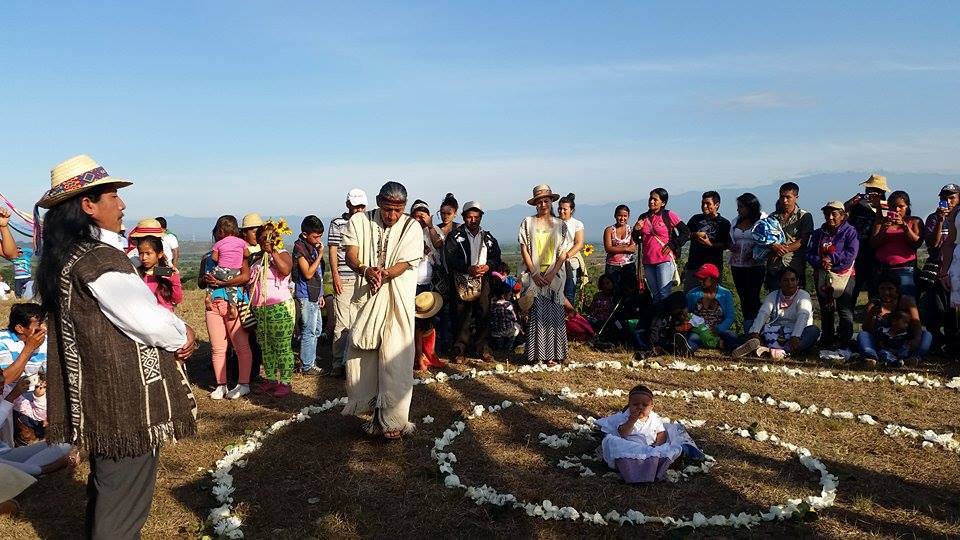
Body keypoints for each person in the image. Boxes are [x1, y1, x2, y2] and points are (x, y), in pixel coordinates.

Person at [34, 154, 197, 539]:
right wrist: (183, 334)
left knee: (109, 491)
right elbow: (144, 319)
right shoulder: (98, 259)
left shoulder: (68, 257)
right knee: (122, 503)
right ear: (88, 206)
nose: (122, 205)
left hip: (101, 399)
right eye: (112, 196)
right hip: (124, 404)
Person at [340, 181, 423, 439]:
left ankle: (393, 420)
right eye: (388, 209)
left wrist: (384, 273)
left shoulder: (412, 226)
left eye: (398, 210)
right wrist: (366, 270)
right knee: (365, 355)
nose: (392, 216)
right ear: (378, 201)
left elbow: (406, 263)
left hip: (397, 301)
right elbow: (351, 254)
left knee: (396, 358)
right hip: (367, 299)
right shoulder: (359, 221)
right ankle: (371, 412)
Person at [592, 385, 698, 484]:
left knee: (672, 445)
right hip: (630, 448)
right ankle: (631, 469)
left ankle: (655, 465)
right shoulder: (625, 417)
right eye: (635, 404)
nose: (640, 407)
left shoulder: (654, 418)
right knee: (611, 441)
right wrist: (631, 421)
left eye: (644, 405)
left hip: (650, 448)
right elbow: (622, 433)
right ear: (629, 405)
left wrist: (657, 444)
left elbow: (661, 433)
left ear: (651, 406)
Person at [199, 217, 254, 400]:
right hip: (215, 303)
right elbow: (202, 281)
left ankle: (243, 383)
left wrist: (222, 282)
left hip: (233, 302)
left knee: (240, 346)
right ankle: (221, 384)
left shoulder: (223, 254)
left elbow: (245, 276)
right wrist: (208, 280)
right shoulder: (210, 257)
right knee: (217, 347)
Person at [445, 200, 502, 364]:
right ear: (464, 217)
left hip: (483, 280)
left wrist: (488, 267)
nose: (473, 220)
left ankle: (483, 349)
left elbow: (496, 258)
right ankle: (459, 350)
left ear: (481, 217)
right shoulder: (455, 236)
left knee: (483, 313)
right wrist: (467, 268)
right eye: (470, 217)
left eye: (476, 217)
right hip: (461, 280)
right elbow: (450, 258)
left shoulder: (488, 237)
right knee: (461, 315)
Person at [519, 185, 570, 366]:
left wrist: (552, 273)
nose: (543, 204)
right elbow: (524, 248)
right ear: (535, 204)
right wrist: (534, 273)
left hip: (554, 275)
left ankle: (554, 355)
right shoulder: (528, 222)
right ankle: (537, 354)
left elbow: (563, 252)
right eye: (539, 201)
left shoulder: (560, 225)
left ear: (551, 202)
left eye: (546, 201)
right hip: (534, 273)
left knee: (554, 313)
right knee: (537, 313)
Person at [249, 220, 296, 398]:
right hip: (260, 309)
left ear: (277, 239)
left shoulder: (282, 254)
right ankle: (270, 379)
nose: (266, 241)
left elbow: (285, 270)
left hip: (279, 307)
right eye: (263, 238)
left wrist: (273, 252)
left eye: (270, 238)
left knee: (282, 346)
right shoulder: (257, 258)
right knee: (266, 346)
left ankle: (285, 381)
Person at [736, 267, 821, 359]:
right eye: (785, 280)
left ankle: (783, 352)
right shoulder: (773, 295)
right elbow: (763, 313)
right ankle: (761, 347)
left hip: (796, 335)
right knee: (748, 324)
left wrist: (795, 336)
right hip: (774, 332)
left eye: (793, 280)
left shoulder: (803, 295)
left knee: (814, 331)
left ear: (797, 282)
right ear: (779, 282)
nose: (790, 284)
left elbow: (803, 316)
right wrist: (755, 332)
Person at [808, 201, 859, 349]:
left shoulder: (850, 232)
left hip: (845, 275)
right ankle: (827, 339)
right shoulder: (818, 233)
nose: (830, 217)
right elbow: (809, 253)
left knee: (845, 310)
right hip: (823, 275)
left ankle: (845, 340)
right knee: (826, 309)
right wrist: (820, 262)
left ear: (842, 215)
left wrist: (832, 260)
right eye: (827, 214)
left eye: (834, 214)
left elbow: (851, 253)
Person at [328, 188, 367, 379]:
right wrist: (335, 275)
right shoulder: (337, 223)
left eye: (361, 206)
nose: (358, 210)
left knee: (360, 321)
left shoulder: (368, 223)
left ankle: (354, 361)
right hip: (344, 277)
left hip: (362, 277)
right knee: (342, 323)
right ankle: (338, 363)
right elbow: (333, 250)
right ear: (348, 205)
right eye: (355, 206)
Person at [857, 273, 932, 368]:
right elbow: (867, 330)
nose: (886, 292)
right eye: (882, 289)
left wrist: (916, 339)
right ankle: (872, 358)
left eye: (890, 288)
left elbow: (916, 324)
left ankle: (914, 358)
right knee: (862, 335)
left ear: (897, 289)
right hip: (882, 344)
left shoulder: (907, 302)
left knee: (927, 335)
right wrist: (871, 315)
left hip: (904, 344)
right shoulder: (873, 304)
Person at [632, 188, 689, 303]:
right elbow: (637, 239)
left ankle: (666, 319)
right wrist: (636, 229)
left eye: (655, 199)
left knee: (664, 293)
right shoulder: (643, 217)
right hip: (648, 261)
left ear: (663, 203)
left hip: (664, 260)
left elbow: (685, 232)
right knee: (655, 294)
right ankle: (657, 319)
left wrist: (673, 245)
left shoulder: (669, 215)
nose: (651, 201)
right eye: (650, 198)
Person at [921, 184, 960, 352]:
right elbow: (934, 244)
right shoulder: (933, 218)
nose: (948, 202)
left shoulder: (958, 218)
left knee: (954, 311)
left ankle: (952, 345)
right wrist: (940, 221)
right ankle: (936, 345)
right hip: (937, 269)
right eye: (945, 199)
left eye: (952, 198)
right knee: (937, 309)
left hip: (956, 269)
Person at [870, 190, 923, 298]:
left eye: (901, 206)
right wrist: (884, 228)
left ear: (907, 206)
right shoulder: (881, 222)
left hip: (905, 269)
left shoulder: (914, 221)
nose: (897, 210)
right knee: (881, 302)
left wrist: (904, 226)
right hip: (883, 269)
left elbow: (916, 243)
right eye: (893, 206)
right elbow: (874, 244)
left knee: (907, 301)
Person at [846, 174, 890, 300]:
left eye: (874, 190)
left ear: (881, 192)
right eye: (869, 189)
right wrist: (850, 203)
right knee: (853, 287)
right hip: (857, 252)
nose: (870, 193)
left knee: (875, 287)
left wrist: (880, 207)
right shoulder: (858, 205)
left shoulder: (886, 206)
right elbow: (840, 215)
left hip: (877, 254)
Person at [765, 182, 814, 292]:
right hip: (775, 265)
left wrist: (783, 249)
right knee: (775, 298)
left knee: (796, 300)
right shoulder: (772, 217)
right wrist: (773, 246)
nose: (784, 200)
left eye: (788, 197)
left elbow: (804, 239)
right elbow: (766, 238)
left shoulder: (804, 216)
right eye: (782, 197)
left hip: (794, 264)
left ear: (796, 197)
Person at [292, 215, 326, 375]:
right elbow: (308, 273)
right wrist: (320, 255)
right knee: (309, 330)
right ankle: (307, 365)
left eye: (320, 235)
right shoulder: (300, 249)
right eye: (316, 236)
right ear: (305, 234)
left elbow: (317, 273)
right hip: (305, 295)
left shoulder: (310, 247)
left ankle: (310, 359)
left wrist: (320, 294)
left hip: (313, 295)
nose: (318, 239)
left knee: (317, 328)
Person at [728, 193, 766, 329]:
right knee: (743, 297)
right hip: (737, 265)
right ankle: (747, 328)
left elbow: (767, 240)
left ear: (750, 207)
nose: (738, 210)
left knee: (753, 297)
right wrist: (731, 245)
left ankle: (756, 329)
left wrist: (755, 249)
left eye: (741, 207)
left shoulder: (761, 220)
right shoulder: (735, 221)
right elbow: (730, 239)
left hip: (755, 265)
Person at [684, 263, 739, 353]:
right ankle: (688, 349)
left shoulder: (725, 294)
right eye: (699, 278)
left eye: (703, 278)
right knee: (693, 338)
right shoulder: (692, 294)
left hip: (720, 330)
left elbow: (730, 316)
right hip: (699, 331)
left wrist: (719, 329)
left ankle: (734, 349)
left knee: (731, 335)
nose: (700, 281)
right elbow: (687, 313)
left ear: (713, 279)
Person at [684, 191, 731, 292]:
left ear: (717, 205)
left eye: (708, 204)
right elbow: (685, 235)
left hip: (713, 267)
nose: (704, 206)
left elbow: (727, 245)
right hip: (694, 266)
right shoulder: (695, 219)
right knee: (691, 296)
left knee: (712, 297)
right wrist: (695, 234)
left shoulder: (724, 223)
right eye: (702, 203)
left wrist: (710, 244)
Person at [133, 234, 183, 312]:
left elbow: (177, 299)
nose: (144, 258)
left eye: (148, 253)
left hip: (165, 319)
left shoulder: (167, 274)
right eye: (141, 253)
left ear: (159, 254)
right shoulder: (137, 274)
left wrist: (175, 281)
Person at [211, 216, 250, 310]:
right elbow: (247, 254)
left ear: (220, 231)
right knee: (232, 289)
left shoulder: (218, 244)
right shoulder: (242, 242)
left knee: (210, 279)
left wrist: (222, 257)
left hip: (221, 272)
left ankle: (208, 297)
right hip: (235, 273)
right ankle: (233, 306)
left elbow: (214, 258)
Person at [603, 204, 637, 298]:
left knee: (629, 292)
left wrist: (616, 248)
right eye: (620, 215)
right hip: (612, 266)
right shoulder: (609, 230)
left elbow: (633, 249)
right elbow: (608, 248)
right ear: (615, 216)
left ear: (628, 217)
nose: (622, 218)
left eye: (625, 216)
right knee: (611, 292)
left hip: (628, 265)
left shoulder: (632, 230)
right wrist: (626, 248)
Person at [557, 193, 585, 306]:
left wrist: (566, 256)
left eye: (565, 209)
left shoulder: (577, 224)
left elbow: (579, 243)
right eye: (560, 208)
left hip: (569, 262)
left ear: (571, 210)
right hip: (554, 262)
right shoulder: (553, 222)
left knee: (569, 292)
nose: (562, 211)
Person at [414, 291, 446, 374]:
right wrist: (421, 363)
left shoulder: (432, 322)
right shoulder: (419, 328)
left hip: (429, 351)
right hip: (422, 353)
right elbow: (418, 345)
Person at [489, 281, 521, 353]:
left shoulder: (492, 305)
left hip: (496, 331)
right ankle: (509, 347)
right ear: (504, 295)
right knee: (517, 328)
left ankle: (499, 348)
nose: (510, 295)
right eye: (509, 294)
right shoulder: (508, 304)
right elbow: (514, 317)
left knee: (499, 344)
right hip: (507, 330)